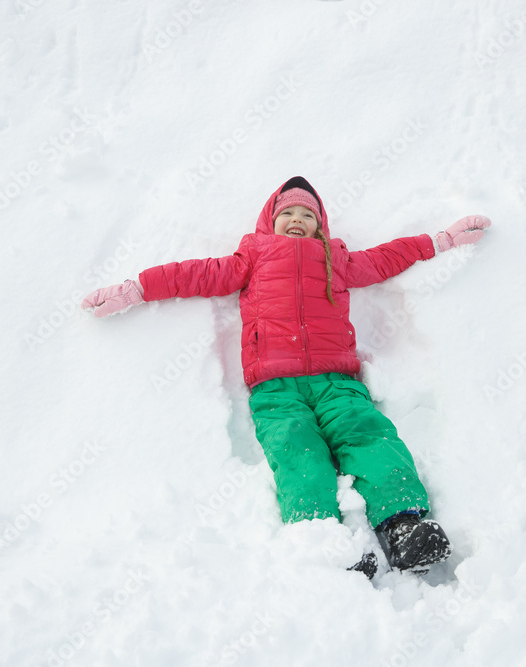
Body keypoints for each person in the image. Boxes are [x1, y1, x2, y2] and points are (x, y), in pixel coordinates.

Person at [82, 176, 490, 576]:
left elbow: (387, 258)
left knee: (369, 436)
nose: (297, 219)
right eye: (288, 212)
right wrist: (135, 288)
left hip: (337, 381)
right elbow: (195, 275)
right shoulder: (253, 257)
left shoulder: (337, 259)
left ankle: (403, 524)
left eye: (307, 215)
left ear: (320, 225)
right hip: (275, 388)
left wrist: (441, 241)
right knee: (296, 450)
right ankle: (324, 538)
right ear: (270, 220)